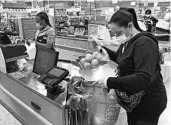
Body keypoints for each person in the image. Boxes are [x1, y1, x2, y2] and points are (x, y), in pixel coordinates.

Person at [93, 10, 167, 125]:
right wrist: (101, 48)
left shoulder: (145, 43)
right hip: (134, 100)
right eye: (113, 34)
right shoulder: (127, 42)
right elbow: (121, 58)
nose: (115, 37)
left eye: (118, 33)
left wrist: (109, 82)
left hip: (148, 102)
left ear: (129, 26)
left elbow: (143, 77)